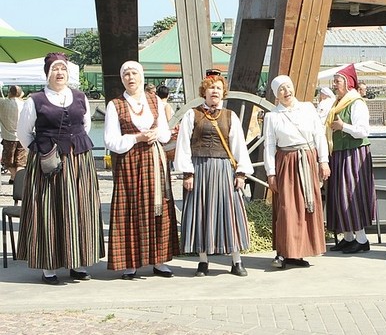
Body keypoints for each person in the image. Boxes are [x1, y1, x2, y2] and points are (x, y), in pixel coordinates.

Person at [16, 52, 104, 284]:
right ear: (48, 73)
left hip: (78, 161)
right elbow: (23, 134)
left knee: (79, 209)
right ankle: (49, 266)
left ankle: (77, 262)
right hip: (49, 162)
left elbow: (84, 125)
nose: (59, 73)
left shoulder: (79, 96)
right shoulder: (35, 100)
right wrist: (41, 150)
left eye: (62, 69)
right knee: (49, 210)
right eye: (55, 69)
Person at [104, 61, 180, 280]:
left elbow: (165, 133)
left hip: (154, 161)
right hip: (129, 161)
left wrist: (157, 134)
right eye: (126, 74)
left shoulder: (154, 100)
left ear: (142, 76)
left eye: (134, 73)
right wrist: (137, 137)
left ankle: (159, 260)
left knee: (158, 208)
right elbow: (111, 140)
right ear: (122, 79)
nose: (130, 77)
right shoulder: (115, 105)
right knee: (131, 209)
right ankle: (131, 263)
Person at [174, 72, 253, 277]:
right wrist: (187, 173)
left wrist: (241, 173)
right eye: (211, 88)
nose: (214, 91)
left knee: (229, 213)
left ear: (223, 92)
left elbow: (238, 146)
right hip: (199, 169)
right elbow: (183, 145)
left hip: (224, 170)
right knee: (201, 213)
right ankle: (203, 261)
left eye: (218, 87)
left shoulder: (229, 116)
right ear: (204, 92)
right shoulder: (192, 115)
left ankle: (236, 260)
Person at [264, 75, 330, 268]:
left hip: (307, 160)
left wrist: (323, 161)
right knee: (287, 208)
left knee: (305, 207)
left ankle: (300, 252)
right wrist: (271, 173)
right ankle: (284, 252)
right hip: (287, 161)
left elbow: (319, 135)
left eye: (288, 87)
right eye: (281, 90)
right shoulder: (272, 116)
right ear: (277, 95)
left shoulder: (308, 108)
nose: (286, 92)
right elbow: (269, 146)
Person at [324, 63, 376, 254]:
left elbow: (363, 130)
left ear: (348, 84)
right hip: (340, 153)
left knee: (351, 195)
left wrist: (343, 126)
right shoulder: (338, 103)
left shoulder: (356, 103)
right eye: (335, 81)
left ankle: (362, 240)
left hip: (353, 154)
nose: (334, 84)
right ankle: (348, 237)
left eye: (338, 81)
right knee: (339, 195)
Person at [0, 85, 28, 185]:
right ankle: (18, 180)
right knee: (21, 161)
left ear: (9, 93)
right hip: (22, 137)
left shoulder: (3, 103)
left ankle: (13, 176)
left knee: (8, 161)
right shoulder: (25, 104)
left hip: (8, 137)